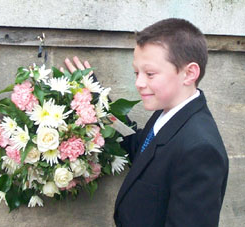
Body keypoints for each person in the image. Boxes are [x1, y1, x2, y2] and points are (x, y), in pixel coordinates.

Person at [63, 18, 228, 227]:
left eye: (150, 74)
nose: (139, 83)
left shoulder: (200, 149)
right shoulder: (167, 113)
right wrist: (97, 98)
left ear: (189, 73)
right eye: (136, 73)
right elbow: (138, 145)